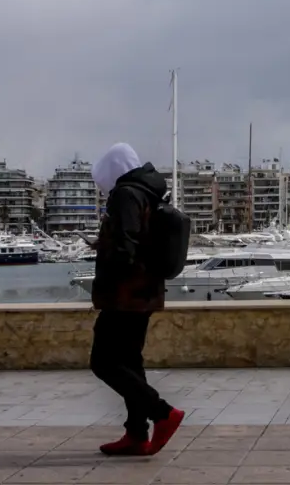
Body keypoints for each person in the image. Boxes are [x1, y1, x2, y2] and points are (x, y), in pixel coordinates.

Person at [89, 143, 185, 455]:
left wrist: (109, 258)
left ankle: (162, 413)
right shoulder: (148, 192)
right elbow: (137, 238)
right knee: (129, 362)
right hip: (144, 292)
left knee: (103, 362)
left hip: (125, 295)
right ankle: (136, 433)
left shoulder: (126, 194)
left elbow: (126, 244)